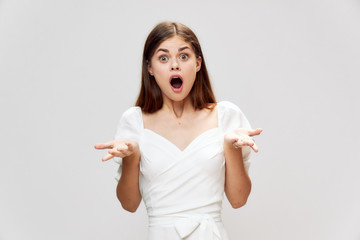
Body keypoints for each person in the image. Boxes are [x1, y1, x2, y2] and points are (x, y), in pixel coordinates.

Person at [95, 21, 262, 240]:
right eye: (163, 58)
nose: (175, 65)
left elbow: (239, 200)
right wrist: (132, 156)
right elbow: (129, 204)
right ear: (150, 68)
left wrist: (231, 147)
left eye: (184, 56)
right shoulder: (134, 122)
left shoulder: (226, 116)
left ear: (198, 63)